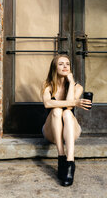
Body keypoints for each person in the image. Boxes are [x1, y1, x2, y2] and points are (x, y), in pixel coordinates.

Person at [41, 55, 92, 186]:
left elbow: (69, 106)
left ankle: (70, 162)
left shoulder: (78, 87)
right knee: (57, 111)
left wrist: (71, 82)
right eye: (61, 64)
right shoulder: (47, 85)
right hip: (51, 131)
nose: (65, 66)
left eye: (67, 64)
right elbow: (47, 103)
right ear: (54, 67)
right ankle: (61, 156)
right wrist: (75, 102)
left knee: (67, 113)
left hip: (71, 130)